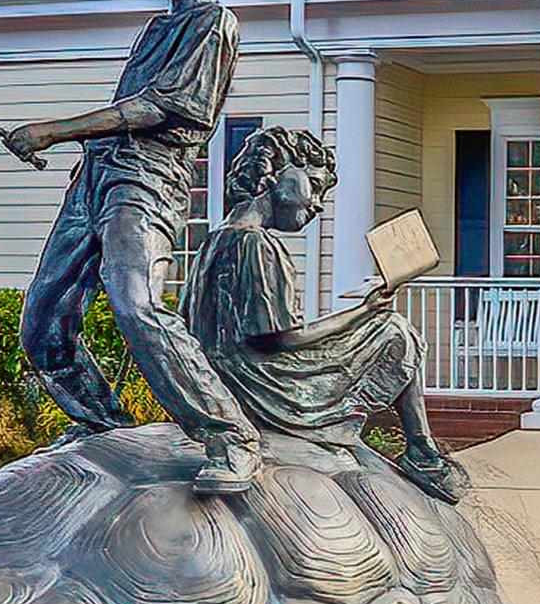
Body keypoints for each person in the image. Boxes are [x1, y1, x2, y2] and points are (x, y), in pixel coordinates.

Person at [6, 0, 262, 495]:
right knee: (42, 320)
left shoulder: (215, 24)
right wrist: (79, 150)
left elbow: (160, 106)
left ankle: (230, 434)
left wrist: (55, 130)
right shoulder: (155, 28)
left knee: (136, 304)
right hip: (96, 177)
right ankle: (102, 424)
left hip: (144, 182)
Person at [186, 126, 471, 505]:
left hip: (230, 374)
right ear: (274, 175)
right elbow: (283, 338)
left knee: (384, 326)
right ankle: (422, 451)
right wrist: (362, 312)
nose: (318, 204)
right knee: (395, 330)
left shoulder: (216, 239)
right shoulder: (255, 244)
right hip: (264, 383)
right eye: (315, 186)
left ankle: (421, 451)